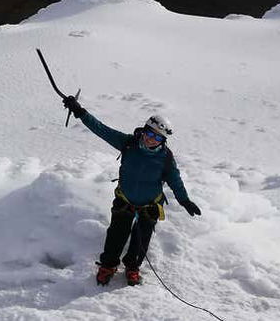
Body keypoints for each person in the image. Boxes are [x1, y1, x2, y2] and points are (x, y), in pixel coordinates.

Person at [62, 96, 202, 286]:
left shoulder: (166, 158)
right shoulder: (128, 143)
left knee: (141, 241)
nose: (151, 139)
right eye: (149, 133)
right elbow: (102, 130)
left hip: (150, 206)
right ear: (143, 131)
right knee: (116, 236)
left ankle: (133, 268)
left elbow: (175, 180)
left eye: (157, 137)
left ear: (163, 140)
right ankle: (108, 266)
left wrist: (184, 200)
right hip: (124, 201)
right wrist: (80, 112)